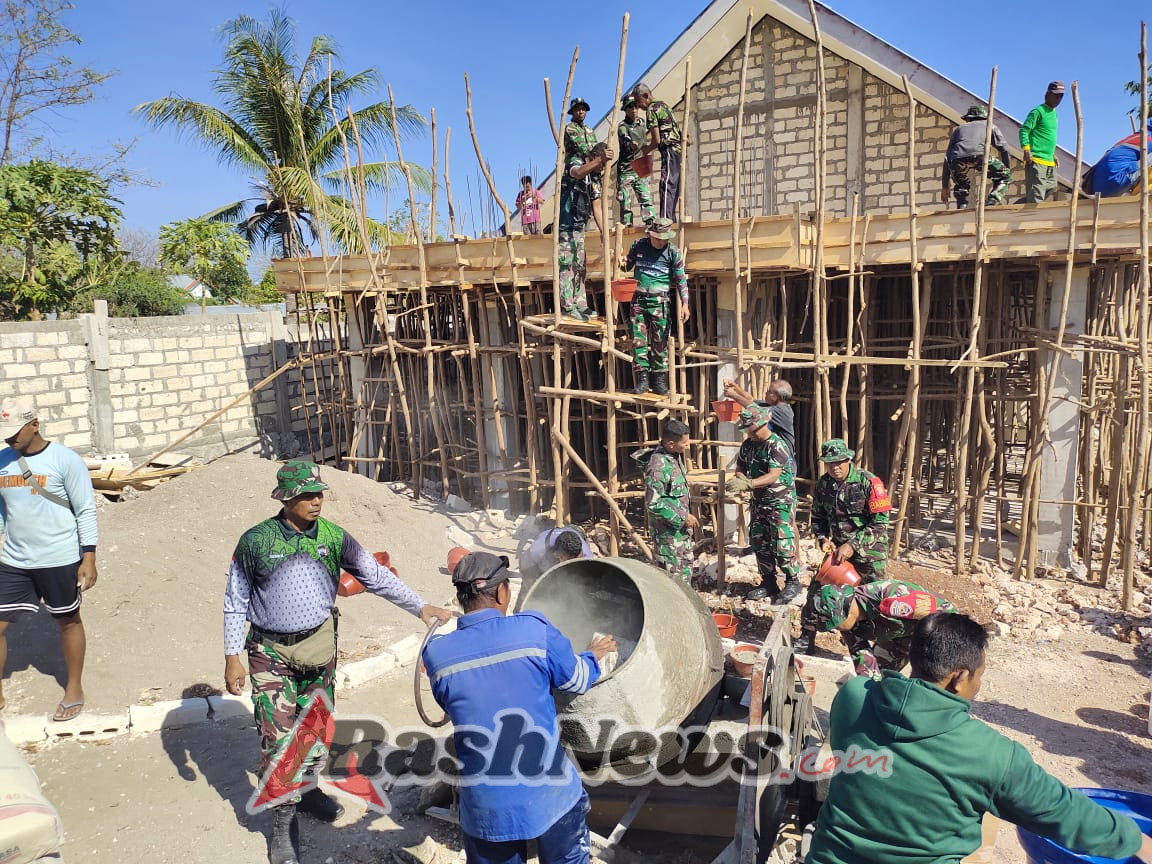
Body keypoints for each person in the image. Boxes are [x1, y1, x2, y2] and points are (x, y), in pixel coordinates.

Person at [223, 460, 450, 864]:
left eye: (320, 493)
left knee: (314, 731)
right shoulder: (255, 542)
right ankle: (282, 825)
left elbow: (374, 575)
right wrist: (231, 657)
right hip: (270, 653)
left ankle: (307, 791)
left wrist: (420, 606)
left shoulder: (333, 537)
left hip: (319, 650)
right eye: (307, 495)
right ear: (286, 499)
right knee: (278, 742)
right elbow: (234, 602)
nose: (317, 501)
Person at [807, 612, 1152, 864]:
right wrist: (1135, 839)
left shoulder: (854, 697)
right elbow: (1062, 812)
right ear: (959, 678)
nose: (979, 685)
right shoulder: (993, 756)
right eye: (979, 676)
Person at [421, 551, 617, 864]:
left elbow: (452, 703)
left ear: (460, 599)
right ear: (502, 592)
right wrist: (592, 655)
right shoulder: (534, 630)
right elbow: (577, 681)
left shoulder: (437, 655)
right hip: (550, 796)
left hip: (486, 806)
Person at [0, 398, 97, 722]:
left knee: (67, 621)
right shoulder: (2, 462)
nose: (9, 439)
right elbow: (3, 511)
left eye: (14, 433)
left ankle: (74, 688)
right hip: (14, 560)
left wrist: (89, 557)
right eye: (5, 434)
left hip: (59, 558)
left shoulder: (64, 460)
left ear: (35, 424)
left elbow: (84, 508)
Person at [725, 405, 802, 604]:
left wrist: (749, 483)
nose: (750, 434)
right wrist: (741, 478)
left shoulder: (777, 445)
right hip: (759, 502)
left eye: (752, 430)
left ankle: (793, 581)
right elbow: (740, 466)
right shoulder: (748, 445)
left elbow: (773, 475)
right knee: (760, 541)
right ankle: (768, 582)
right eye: (748, 431)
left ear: (762, 424)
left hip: (780, 502)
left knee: (782, 542)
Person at [811, 580, 957, 679]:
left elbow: (945, 615)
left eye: (835, 624)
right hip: (896, 637)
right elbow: (862, 655)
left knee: (929, 681)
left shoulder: (892, 598)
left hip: (934, 631)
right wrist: (868, 687)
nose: (837, 629)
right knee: (880, 682)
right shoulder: (848, 624)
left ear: (847, 612)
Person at [618, 217, 688, 395]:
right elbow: (627, 266)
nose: (661, 241)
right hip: (639, 300)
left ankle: (659, 381)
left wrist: (685, 303)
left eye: (664, 238)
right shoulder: (639, 245)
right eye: (658, 238)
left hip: (660, 302)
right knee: (638, 340)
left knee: (660, 342)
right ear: (651, 235)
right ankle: (642, 380)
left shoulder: (673, 253)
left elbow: (681, 280)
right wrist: (621, 260)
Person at [810, 439, 891, 583]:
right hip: (838, 551)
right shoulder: (823, 484)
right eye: (830, 463)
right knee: (821, 594)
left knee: (873, 597)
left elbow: (881, 523)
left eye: (839, 462)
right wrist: (823, 538)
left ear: (848, 460)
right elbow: (818, 517)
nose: (835, 467)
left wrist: (852, 545)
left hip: (870, 552)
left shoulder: (868, 482)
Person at [636, 418, 697, 581]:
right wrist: (683, 517)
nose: (687, 446)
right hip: (668, 538)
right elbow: (653, 503)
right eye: (684, 443)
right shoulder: (658, 466)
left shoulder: (674, 457)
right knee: (672, 582)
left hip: (680, 535)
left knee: (684, 581)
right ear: (670, 443)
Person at [559, 141, 612, 322]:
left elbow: (597, 207)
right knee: (567, 265)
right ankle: (567, 306)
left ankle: (580, 303)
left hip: (580, 226)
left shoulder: (595, 178)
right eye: (602, 163)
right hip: (566, 225)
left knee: (580, 265)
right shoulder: (575, 162)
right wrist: (599, 161)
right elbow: (578, 172)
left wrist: (604, 232)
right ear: (595, 158)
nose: (602, 168)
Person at [941, 104, 1012, 209]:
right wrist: (1006, 169)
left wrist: (945, 186)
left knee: (961, 183)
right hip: (979, 156)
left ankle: (962, 206)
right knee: (1005, 178)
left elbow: (947, 158)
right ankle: (992, 201)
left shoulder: (959, 129)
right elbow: (1005, 149)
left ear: (968, 118)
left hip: (957, 159)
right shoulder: (990, 126)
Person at [630, 83, 683, 220]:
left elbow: (656, 140)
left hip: (670, 149)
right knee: (674, 184)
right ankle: (671, 217)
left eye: (638, 102)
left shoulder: (652, 109)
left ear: (646, 96)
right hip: (678, 150)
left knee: (666, 184)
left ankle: (666, 219)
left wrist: (645, 150)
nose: (639, 106)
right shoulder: (664, 106)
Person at [722, 378, 796, 458]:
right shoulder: (771, 405)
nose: (766, 393)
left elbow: (753, 408)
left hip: (783, 462)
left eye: (769, 391)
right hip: (771, 456)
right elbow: (750, 400)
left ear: (776, 396)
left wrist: (734, 395)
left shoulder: (783, 411)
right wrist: (736, 387)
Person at [562, 97, 605, 235]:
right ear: (573, 112)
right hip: (577, 164)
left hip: (592, 168)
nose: (581, 111)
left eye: (583, 109)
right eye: (578, 109)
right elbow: (582, 148)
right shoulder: (570, 128)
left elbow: (595, 149)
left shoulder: (590, 130)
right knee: (579, 207)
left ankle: (604, 234)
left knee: (596, 199)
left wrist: (600, 160)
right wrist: (597, 160)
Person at [1082, 118, 1152, 197]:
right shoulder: (1149, 141)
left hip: (1097, 189)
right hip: (1116, 183)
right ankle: (1137, 192)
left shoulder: (1132, 138)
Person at [1020, 81, 1064, 204]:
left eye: (1061, 96)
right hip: (1036, 159)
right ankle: (1030, 216)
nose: (1058, 99)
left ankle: (1023, 204)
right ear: (1047, 95)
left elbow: (1047, 136)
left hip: (1049, 160)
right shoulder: (1038, 111)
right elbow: (1024, 130)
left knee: (1052, 186)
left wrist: (1053, 154)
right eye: (1056, 95)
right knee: (1036, 195)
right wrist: (1026, 149)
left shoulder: (1054, 114)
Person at [616, 95, 655, 227]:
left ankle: (649, 221)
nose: (634, 110)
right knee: (625, 200)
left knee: (645, 196)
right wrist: (630, 144)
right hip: (626, 169)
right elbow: (624, 138)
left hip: (641, 166)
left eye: (635, 106)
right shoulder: (622, 126)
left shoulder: (642, 123)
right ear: (625, 110)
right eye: (630, 107)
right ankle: (627, 223)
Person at [519, 524, 595, 581]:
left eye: (576, 560)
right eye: (569, 562)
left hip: (574, 530)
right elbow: (524, 569)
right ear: (557, 554)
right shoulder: (537, 550)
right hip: (546, 549)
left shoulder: (587, 555)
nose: (573, 565)